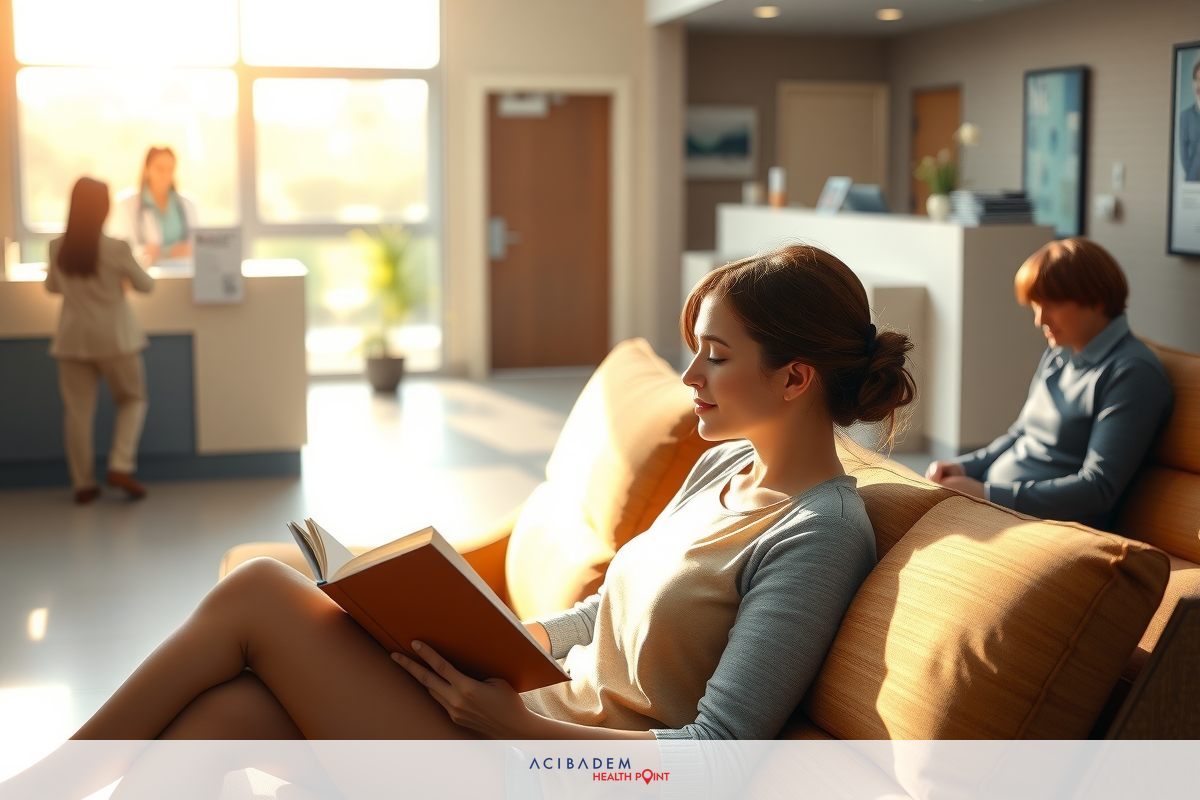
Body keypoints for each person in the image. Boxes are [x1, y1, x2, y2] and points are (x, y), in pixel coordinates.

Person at [33, 245, 912, 787]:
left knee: (265, 588)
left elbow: (716, 760)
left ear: (796, 378)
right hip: (519, 725)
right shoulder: (723, 465)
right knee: (221, 721)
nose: (690, 382)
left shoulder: (819, 532)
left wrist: (521, 732)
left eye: (715, 358)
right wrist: (489, 632)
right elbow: (607, 611)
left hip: (547, 769)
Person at [926, 237, 1173, 530]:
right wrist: (964, 467)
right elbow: (1020, 434)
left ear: (1097, 299)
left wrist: (989, 494)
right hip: (1002, 509)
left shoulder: (1131, 373)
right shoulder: (1059, 354)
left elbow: (1098, 488)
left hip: (1047, 527)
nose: (1039, 319)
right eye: (1035, 306)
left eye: (1051, 305)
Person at [46, 178, 155, 504]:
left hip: (73, 340)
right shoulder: (117, 247)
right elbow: (146, 285)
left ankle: (83, 484)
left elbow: (52, 287)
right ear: (104, 208)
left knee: (78, 413)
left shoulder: (56, 246)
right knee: (133, 399)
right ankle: (120, 464)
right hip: (116, 339)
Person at [111, 146, 198, 265]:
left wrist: (187, 249)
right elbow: (122, 249)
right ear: (147, 168)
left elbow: (198, 245)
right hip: (145, 276)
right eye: (160, 169)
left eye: (170, 169)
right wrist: (159, 251)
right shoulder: (126, 204)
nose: (166, 175)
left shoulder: (187, 204)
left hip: (182, 272)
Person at [1179, 56, 1200, 182]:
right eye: (1196, 79)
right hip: (1193, 182)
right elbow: (1184, 156)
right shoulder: (1185, 117)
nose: (1199, 84)